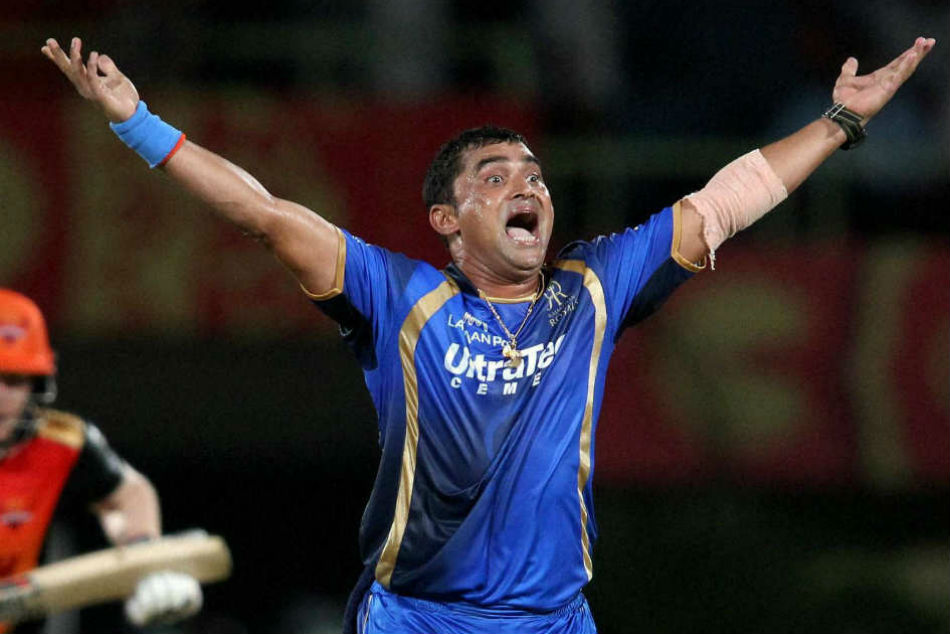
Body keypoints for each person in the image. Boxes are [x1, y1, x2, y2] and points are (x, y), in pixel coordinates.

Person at [41, 34, 934, 634]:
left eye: (534, 174)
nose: (527, 186)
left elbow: (725, 202)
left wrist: (841, 121)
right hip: (417, 617)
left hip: (554, 621)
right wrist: (136, 123)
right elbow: (266, 214)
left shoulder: (593, 286)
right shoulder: (401, 298)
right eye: (496, 176)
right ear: (447, 219)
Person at [0, 289, 204, 632]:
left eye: (14, 379)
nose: (0, 397)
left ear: (36, 384)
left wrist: (145, 558)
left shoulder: (62, 445)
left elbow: (127, 497)